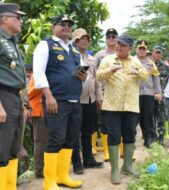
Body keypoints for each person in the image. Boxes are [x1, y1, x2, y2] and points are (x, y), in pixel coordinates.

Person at [33, 14, 84, 189]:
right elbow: (38, 73)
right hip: (56, 100)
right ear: (54, 26)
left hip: (74, 100)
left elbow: (81, 73)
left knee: (70, 139)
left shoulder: (75, 49)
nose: (66, 27)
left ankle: (62, 176)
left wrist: (83, 75)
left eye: (69, 25)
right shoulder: (45, 45)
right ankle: (49, 181)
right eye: (62, 24)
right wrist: (49, 96)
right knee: (55, 138)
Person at [96, 34, 149, 184]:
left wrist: (138, 72)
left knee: (130, 135)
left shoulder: (135, 61)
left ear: (129, 48)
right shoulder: (108, 60)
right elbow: (98, 76)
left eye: (123, 45)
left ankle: (127, 166)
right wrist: (110, 71)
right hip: (112, 106)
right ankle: (114, 170)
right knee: (114, 136)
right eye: (118, 43)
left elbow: (146, 77)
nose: (118, 46)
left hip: (131, 106)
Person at [0, 3, 26, 190]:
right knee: (2, 148)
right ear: (5, 19)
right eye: (17, 17)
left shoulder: (12, 42)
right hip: (3, 98)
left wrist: (23, 101)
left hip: (15, 98)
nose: (21, 20)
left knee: (13, 147)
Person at [71, 28, 103, 175]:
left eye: (87, 38)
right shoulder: (71, 56)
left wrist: (99, 98)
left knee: (88, 131)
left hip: (90, 100)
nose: (85, 41)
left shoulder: (91, 59)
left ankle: (89, 159)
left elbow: (97, 81)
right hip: (76, 100)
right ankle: (77, 162)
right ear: (75, 40)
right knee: (75, 132)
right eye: (82, 38)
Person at [94, 28, 118, 161]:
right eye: (109, 36)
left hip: (118, 91)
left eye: (113, 36)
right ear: (106, 38)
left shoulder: (122, 53)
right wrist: (98, 94)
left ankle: (118, 149)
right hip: (103, 91)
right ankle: (107, 151)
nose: (111, 38)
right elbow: (96, 74)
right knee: (103, 121)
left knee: (117, 120)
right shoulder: (100, 54)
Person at [27, 67, 47, 178]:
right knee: (40, 142)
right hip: (38, 112)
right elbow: (28, 93)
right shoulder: (37, 75)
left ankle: (44, 168)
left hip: (45, 112)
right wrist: (41, 84)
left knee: (43, 141)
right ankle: (39, 171)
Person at [151, 45, 168, 146]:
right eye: (156, 52)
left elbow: (166, 80)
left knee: (161, 116)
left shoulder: (165, 66)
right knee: (151, 117)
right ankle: (152, 136)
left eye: (159, 52)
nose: (157, 54)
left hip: (161, 95)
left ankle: (161, 137)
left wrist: (161, 92)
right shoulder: (148, 64)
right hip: (149, 95)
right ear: (152, 52)